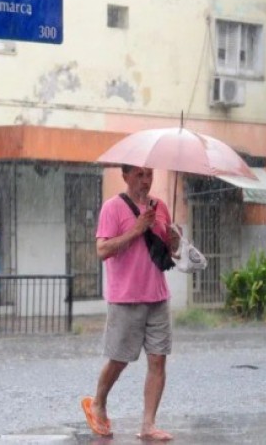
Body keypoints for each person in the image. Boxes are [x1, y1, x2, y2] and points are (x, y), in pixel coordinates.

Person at [81, 165, 179, 441]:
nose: (145, 181)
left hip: (158, 295)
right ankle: (98, 402)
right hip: (126, 297)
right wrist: (137, 229)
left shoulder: (160, 207)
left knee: (158, 360)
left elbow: (168, 253)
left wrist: (174, 241)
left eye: (149, 174)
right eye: (139, 175)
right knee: (120, 358)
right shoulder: (112, 208)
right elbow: (102, 250)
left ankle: (148, 425)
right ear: (125, 176)